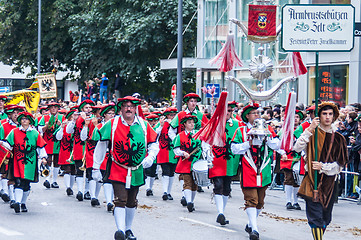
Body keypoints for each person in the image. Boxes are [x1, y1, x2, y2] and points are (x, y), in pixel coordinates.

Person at [92, 96, 159, 240]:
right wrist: (96, 168)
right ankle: (120, 230)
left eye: (131, 106)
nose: (128, 109)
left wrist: (151, 157)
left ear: (135, 109)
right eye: (126, 106)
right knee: (120, 199)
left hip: (137, 169)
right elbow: (101, 145)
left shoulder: (144, 124)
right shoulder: (112, 124)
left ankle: (128, 229)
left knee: (131, 201)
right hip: (118, 168)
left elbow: (154, 143)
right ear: (121, 109)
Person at [231, 103, 286, 240]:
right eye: (253, 113)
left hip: (264, 168)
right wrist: (248, 144)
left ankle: (250, 223)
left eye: (258, 113)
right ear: (247, 116)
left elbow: (277, 144)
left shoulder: (267, 129)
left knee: (260, 201)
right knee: (251, 199)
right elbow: (233, 148)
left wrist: (267, 139)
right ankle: (254, 230)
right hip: (249, 167)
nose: (257, 115)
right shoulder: (241, 131)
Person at [294, 102, 348, 240]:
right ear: (319, 116)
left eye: (330, 114)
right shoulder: (312, 134)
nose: (327, 117)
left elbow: (341, 164)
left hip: (329, 183)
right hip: (312, 180)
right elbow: (297, 148)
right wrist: (310, 129)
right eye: (324, 114)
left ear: (334, 116)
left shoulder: (339, 138)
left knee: (325, 218)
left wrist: (323, 167)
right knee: (315, 218)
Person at [2, 112, 47, 213]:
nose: (24, 120)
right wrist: (3, 144)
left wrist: (43, 158)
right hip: (17, 162)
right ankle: (17, 203)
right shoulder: (14, 132)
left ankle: (23, 203)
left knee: (26, 184)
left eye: (26, 119)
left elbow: (40, 147)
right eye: (22, 119)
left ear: (30, 121)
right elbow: (9, 145)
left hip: (30, 163)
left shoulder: (35, 133)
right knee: (18, 182)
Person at [209, 101, 243, 225]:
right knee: (218, 185)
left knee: (227, 188)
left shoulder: (237, 124)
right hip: (216, 159)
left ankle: (222, 210)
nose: (227, 113)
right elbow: (206, 139)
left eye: (230, 111)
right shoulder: (214, 123)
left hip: (231, 160)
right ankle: (220, 212)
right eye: (225, 111)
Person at [86, 104, 116, 210]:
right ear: (104, 115)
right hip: (99, 154)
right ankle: (93, 196)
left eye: (113, 113)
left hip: (112, 156)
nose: (112, 115)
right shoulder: (99, 126)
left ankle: (109, 202)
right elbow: (94, 139)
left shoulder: (116, 126)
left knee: (109, 178)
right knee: (97, 177)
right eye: (109, 113)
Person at [66, 99, 96, 201]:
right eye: (86, 107)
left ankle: (87, 191)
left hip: (90, 148)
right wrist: (73, 120)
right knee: (79, 169)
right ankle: (80, 191)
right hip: (79, 147)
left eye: (90, 108)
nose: (88, 109)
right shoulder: (77, 118)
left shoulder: (94, 119)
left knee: (90, 171)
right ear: (82, 109)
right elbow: (68, 131)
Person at [173, 114, 203, 212]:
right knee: (187, 182)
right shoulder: (180, 136)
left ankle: (191, 202)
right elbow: (176, 149)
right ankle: (189, 202)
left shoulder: (198, 135)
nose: (192, 124)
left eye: (193, 123)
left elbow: (203, 146)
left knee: (195, 184)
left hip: (196, 163)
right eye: (189, 123)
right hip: (185, 163)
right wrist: (183, 153)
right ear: (185, 124)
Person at [279, 110, 305, 210]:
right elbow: (279, 143)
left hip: (298, 158)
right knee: (288, 179)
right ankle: (288, 201)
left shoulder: (301, 130)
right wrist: (283, 153)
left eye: (297, 117)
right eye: (293, 117)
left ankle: (296, 201)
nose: (295, 119)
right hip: (288, 158)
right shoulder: (284, 130)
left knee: (297, 180)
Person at [0, 105, 25, 206]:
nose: (16, 115)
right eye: (14, 113)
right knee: (8, 175)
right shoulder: (3, 126)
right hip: (6, 154)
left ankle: (16, 197)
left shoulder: (22, 127)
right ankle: (10, 196)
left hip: (20, 155)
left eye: (17, 113)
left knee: (18, 177)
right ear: (9, 115)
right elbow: (1, 140)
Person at [38, 102, 64, 189]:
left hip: (57, 142)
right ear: (49, 109)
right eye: (52, 107)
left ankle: (54, 181)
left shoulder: (61, 117)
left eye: (55, 107)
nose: (53, 109)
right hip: (47, 142)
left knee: (57, 161)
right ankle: (47, 179)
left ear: (57, 109)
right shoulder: (44, 117)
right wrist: (45, 126)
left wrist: (61, 126)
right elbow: (40, 129)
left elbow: (65, 129)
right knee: (48, 160)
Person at [155, 107, 178, 200]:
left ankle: (168, 192)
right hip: (164, 151)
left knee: (172, 172)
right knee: (166, 171)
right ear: (167, 115)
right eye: (170, 115)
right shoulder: (162, 123)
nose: (172, 117)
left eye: (174, 115)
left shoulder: (177, 124)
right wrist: (160, 126)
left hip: (173, 151)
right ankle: (165, 191)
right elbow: (155, 134)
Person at [55, 109, 77, 196]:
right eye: (71, 117)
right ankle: (68, 187)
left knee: (73, 170)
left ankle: (70, 188)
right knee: (67, 169)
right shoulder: (64, 127)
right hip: (65, 151)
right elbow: (58, 137)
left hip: (74, 151)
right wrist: (61, 127)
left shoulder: (78, 126)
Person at [144, 114, 160, 197]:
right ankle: (148, 188)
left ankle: (150, 187)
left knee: (153, 171)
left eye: (155, 121)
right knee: (147, 171)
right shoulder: (145, 128)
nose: (153, 122)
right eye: (151, 121)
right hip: (146, 152)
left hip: (155, 152)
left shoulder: (157, 128)